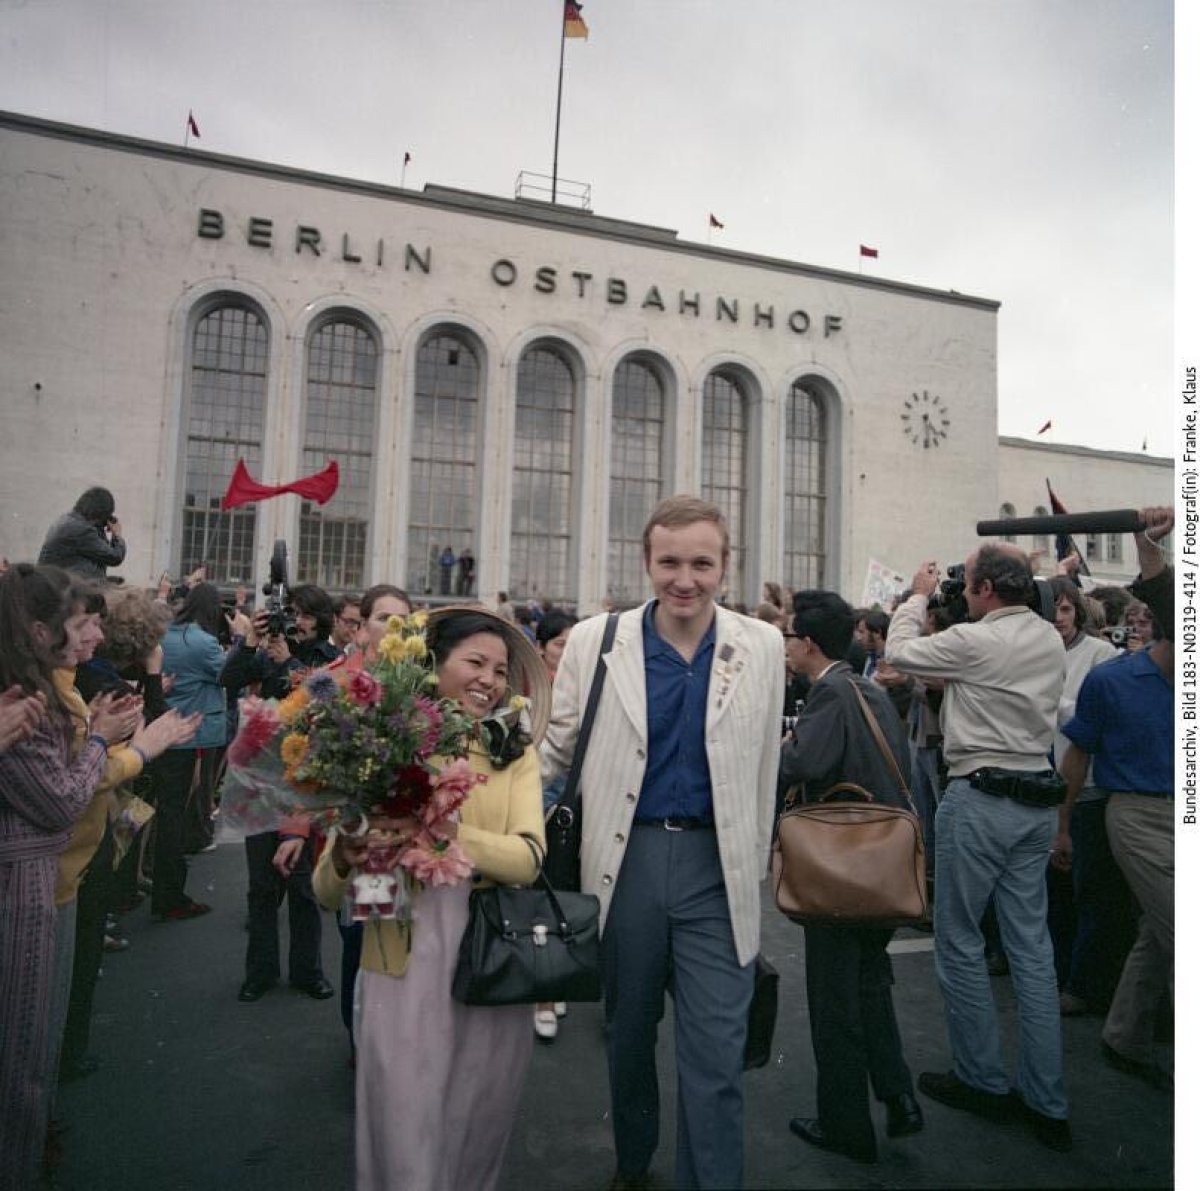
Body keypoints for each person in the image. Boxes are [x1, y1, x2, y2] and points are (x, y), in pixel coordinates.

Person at [541, 495, 785, 1190]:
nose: (686, 579)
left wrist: (760, 847)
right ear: (646, 561)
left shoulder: (761, 646)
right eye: (670, 561)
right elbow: (558, 744)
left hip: (718, 866)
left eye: (702, 563)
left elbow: (767, 755)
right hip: (628, 859)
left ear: (725, 565)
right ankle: (634, 1157)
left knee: (717, 1050)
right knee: (628, 1030)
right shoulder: (598, 639)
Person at [312, 607, 548, 1191]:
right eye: (474, 662)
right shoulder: (383, 742)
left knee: (477, 1112)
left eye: (499, 670)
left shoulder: (513, 752)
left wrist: (444, 832)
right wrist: (347, 851)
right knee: (403, 1114)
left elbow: (528, 857)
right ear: (431, 666)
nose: (489, 680)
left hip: (490, 956)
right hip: (398, 948)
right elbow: (327, 889)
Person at [0, 564, 188, 1191]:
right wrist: (117, 744)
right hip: (31, 883)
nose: (94, 637)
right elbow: (60, 798)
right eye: (83, 623)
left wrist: (101, 737)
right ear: (39, 629)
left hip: (57, 875)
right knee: (24, 1051)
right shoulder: (27, 697)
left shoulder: (50, 687)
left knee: (36, 1047)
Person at [885, 544, 1070, 1152]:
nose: (961, 592)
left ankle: (983, 1079)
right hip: (1036, 803)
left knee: (961, 939)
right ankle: (1048, 1100)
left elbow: (899, 652)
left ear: (987, 588)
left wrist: (916, 595)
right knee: (1031, 949)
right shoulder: (1045, 637)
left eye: (968, 585)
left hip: (982, 797)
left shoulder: (975, 642)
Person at [778, 590, 922, 1164]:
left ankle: (846, 1125)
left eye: (791, 637)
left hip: (841, 864)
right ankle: (898, 1094)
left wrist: (786, 743)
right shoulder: (864, 685)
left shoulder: (830, 692)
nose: (787, 646)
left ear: (808, 644)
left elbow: (801, 765)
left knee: (835, 1000)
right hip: (883, 863)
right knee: (869, 986)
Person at [1057, 508, 1174, 1091]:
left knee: (1161, 930)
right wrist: (1062, 828)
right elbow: (1076, 756)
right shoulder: (1111, 680)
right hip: (1136, 817)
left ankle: (1125, 1036)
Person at [223, 584, 339, 1002]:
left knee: (303, 886)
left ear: (322, 619)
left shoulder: (328, 658)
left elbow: (328, 702)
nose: (299, 622)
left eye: (307, 615)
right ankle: (260, 971)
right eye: (293, 613)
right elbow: (229, 678)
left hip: (306, 783)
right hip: (262, 779)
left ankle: (308, 971)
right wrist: (251, 640)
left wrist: (288, 661)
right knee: (260, 885)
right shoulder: (266, 648)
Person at [153, 582, 230, 920]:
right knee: (177, 815)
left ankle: (161, 888)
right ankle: (170, 895)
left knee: (166, 812)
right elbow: (228, 674)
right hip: (191, 732)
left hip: (164, 728)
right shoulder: (204, 642)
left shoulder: (167, 634)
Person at [531, 607, 577, 1042]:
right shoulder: (525, 690)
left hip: (574, 808)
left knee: (566, 899)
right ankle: (542, 994)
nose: (568, 652)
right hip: (534, 806)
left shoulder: (584, 687)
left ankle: (556, 981)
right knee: (539, 903)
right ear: (541, 647)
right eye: (561, 643)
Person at [37, 487, 126, 581]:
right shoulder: (81, 530)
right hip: (63, 588)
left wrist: (101, 527)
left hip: (56, 581)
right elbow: (114, 557)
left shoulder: (70, 519)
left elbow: (99, 553)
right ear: (99, 514)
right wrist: (117, 535)